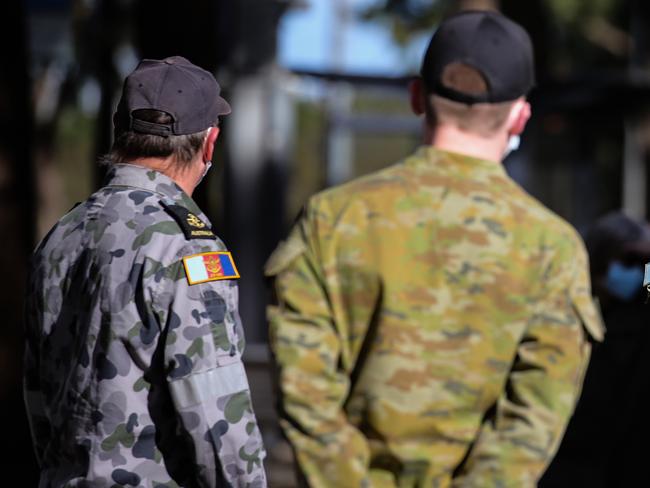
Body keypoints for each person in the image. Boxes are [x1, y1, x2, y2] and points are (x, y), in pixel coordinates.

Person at [265, 10, 604, 487]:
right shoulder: (554, 246)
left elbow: (304, 391)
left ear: (416, 97)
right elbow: (532, 420)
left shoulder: (334, 218)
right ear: (521, 115)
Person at [23, 56, 267, 487]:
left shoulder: (62, 234)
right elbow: (217, 418)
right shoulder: (188, 247)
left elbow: (38, 393)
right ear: (210, 144)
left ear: (120, 132)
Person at [540, 212, 650, 487]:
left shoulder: (638, 312)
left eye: (636, 263)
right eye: (623, 262)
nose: (631, 271)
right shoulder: (604, 317)